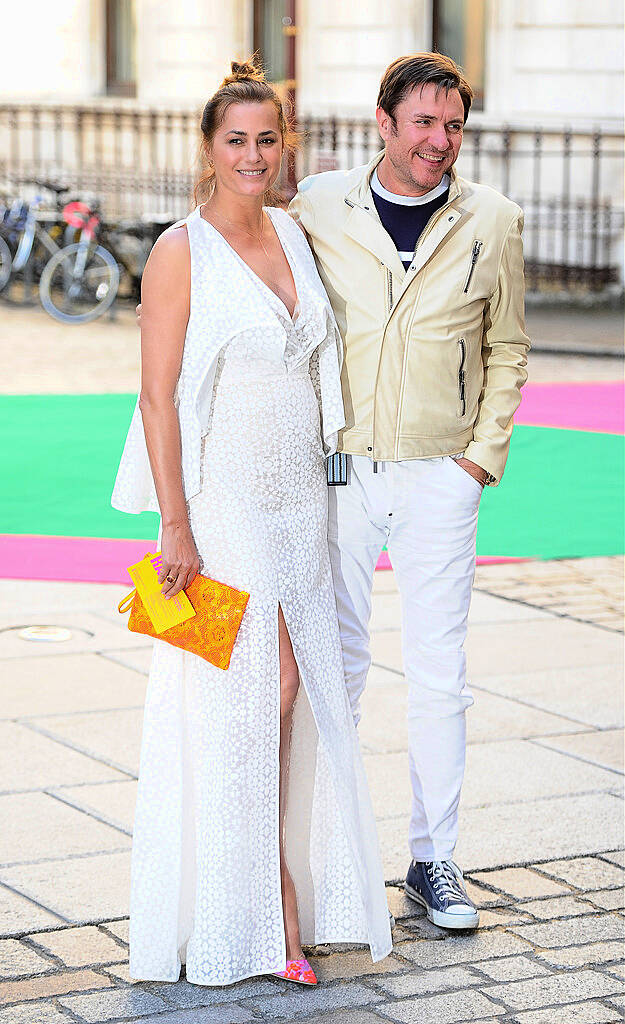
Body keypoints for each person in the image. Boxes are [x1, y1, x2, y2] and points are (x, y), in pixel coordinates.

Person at [112, 59, 392, 988]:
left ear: (284, 148)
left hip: (299, 504)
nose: (252, 154)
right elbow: (156, 400)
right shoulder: (178, 251)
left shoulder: (292, 232)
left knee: (295, 698)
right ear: (208, 148)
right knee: (245, 700)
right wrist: (175, 526)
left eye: (266, 139)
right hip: (222, 503)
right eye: (235, 139)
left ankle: (287, 899)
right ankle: (253, 912)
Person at [290, 52, 530, 930]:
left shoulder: (492, 219)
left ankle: (434, 862)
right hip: (343, 475)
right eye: (424, 122)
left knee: (439, 679)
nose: (440, 141)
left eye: (453, 125)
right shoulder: (316, 205)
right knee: (337, 671)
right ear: (383, 123)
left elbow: (507, 345)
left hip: (440, 477)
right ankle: (332, 857)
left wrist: (477, 462)